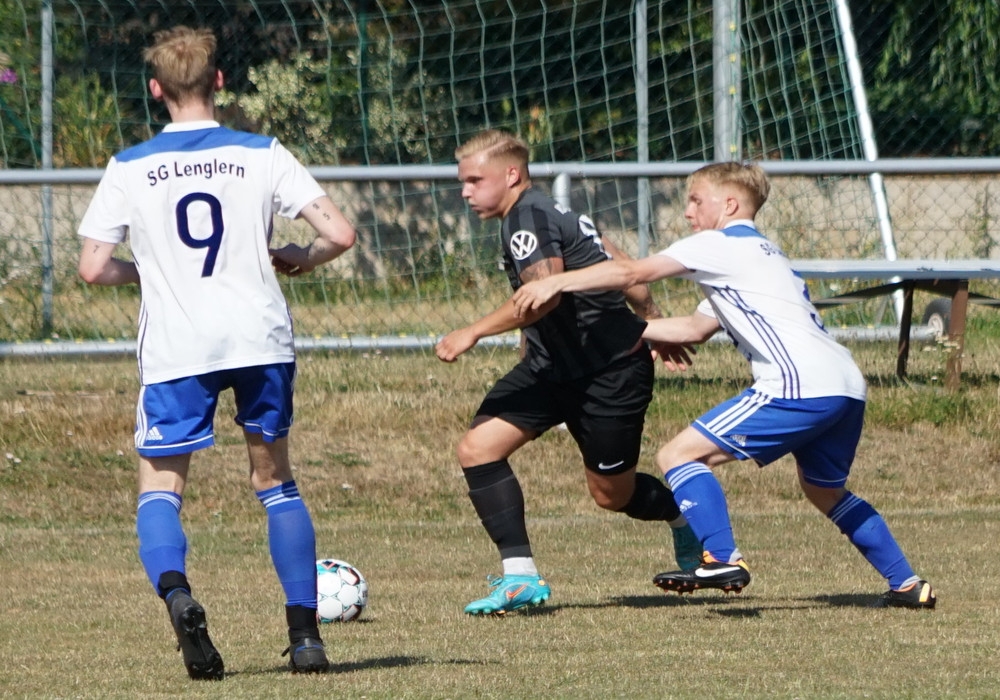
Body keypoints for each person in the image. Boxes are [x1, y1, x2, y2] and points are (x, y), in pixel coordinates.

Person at [511, 161, 936, 609]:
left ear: (730, 204)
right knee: (825, 491)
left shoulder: (718, 244)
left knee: (678, 455)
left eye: (697, 200)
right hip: (844, 384)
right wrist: (615, 333)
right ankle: (907, 584)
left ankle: (721, 558)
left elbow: (632, 274)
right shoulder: (763, 255)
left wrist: (557, 282)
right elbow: (694, 329)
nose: (688, 212)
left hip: (798, 384)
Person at [76, 26, 357, 679]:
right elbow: (340, 233)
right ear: (219, 81)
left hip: (179, 346)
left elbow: (92, 267)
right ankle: (305, 638)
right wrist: (300, 256)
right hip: (259, 336)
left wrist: (147, 271)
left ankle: (178, 595)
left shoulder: (130, 166)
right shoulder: (261, 153)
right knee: (276, 483)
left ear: (156, 90)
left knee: (160, 488)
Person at [435, 129, 700, 616]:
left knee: (611, 495)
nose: (465, 192)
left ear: (510, 174)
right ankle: (520, 578)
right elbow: (619, 262)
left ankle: (687, 522)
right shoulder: (547, 210)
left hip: (609, 372)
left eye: (475, 180)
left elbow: (543, 296)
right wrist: (653, 317)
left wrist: (473, 331)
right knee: (478, 448)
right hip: (551, 369)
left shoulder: (527, 218)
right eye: (463, 182)